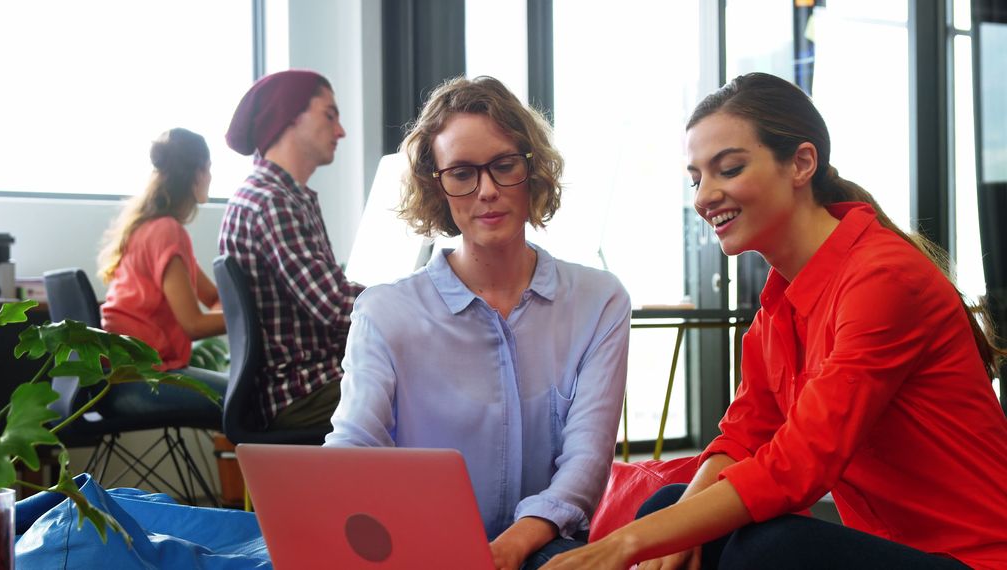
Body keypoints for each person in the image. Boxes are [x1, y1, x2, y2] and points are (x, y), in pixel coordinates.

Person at [544, 72, 1007, 570]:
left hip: (977, 560)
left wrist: (624, 543)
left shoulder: (884, 277)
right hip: (891, 551)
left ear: (802, 164)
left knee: (763, 549)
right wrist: (667, 530)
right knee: (670, 509)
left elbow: (800, 464)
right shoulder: (776, 311)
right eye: (697, 178)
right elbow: (742, 440)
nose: (704, 197)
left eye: (729, 168)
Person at [324, 76, 631, 570]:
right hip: (419, 549)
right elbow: (355, 441)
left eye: (504, 165)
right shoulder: (384, 311)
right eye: (463, 173)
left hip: (543, 546)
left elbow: (585, 464)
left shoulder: (600, 301)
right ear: (437, 186)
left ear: (532, 171)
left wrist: (510, 547)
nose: (487, 190)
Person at [219, 70, 364, 430]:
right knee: (430, 394)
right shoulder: (272, 201)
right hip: (303, 392)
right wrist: (419, 306)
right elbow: (336, 307)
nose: (340, 131)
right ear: (289, 116)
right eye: (330, 115)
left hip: (303, 387)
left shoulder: (276, 195)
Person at [99, 127, 226, 371]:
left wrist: (229, 308)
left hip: (124, 368)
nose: (210, 177)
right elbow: (194, 325)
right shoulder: (168, 231)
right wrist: (254, 317)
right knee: (242, 400)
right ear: (197, 173)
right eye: (208, 168)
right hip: (146, 372)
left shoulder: (145, 227)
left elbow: (213, 298)